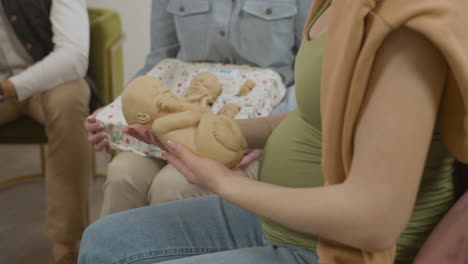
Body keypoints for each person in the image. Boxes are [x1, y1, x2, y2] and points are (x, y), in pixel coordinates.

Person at [79, 0, 468, 263]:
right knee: (102, 240)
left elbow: (374, 221)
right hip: (282, 218)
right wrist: (227, 129)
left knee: (167, 192)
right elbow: (321, 117)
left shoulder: (403, 23)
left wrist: (227, 183)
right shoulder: (333, 6)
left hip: (329, 244)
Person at [85, 0, 312, 216]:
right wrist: (116, 111)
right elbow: (159, 61)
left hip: (256, 128)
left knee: (174, 187)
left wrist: (265, 130)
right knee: (122, 175)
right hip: (174, 120)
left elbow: (311, 71)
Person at [0, 0, 91, 263]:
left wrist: (10, 87)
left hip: (49, 81)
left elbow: (73, 56)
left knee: (69, 102)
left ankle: (67, 242)